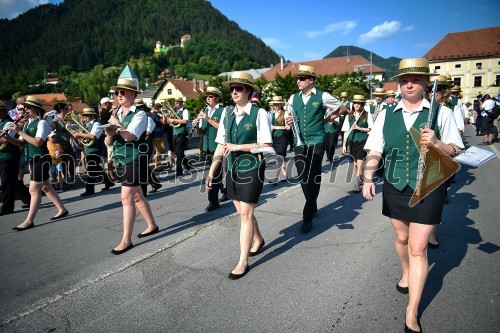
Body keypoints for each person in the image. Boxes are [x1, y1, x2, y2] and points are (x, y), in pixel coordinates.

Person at [362, 58, 464, 333]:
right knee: (402, 238)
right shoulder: (386, 114)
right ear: (399, 83)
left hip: (430, 186)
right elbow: (375, 151)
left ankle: (411, 311)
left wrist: (438, 143)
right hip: (395, 185)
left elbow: (457, 149)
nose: (409, 84)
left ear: (426, 84)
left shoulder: (441, 113)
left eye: (416, 80)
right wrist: (368, 178)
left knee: (418, 248)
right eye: (405, 79)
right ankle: (406, 272)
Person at [206, 72, 273, 279]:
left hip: (252, 167)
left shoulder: (259, 113)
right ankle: (258, 239)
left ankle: (242, 262)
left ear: (249, 91)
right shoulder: (227, 114)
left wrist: (239, 147)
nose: (234, 92)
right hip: (231, 168)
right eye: (232, 88)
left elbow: (266, 145)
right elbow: (220, 144)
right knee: (243, 212)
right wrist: (211, 171)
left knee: (245, 214)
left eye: (239, 88)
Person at [104, 78, 158, 254]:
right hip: (121, 158)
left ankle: (126, 240)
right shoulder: (116, 114)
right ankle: (152, 225)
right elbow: (108, 142)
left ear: (133, 94)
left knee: (126, 198)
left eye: (123, 92)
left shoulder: (140, 114)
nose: (119, 95)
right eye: (117, 92)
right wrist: (109, 133)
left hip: (135, 159)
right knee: (137, 196)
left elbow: (130, 136)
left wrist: (116, 125)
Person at [285, 65, 341, 233]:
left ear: (311, 80)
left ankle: (307, 216)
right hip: (299, 142)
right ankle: (312, 203)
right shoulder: (293, 97)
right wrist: (287, 121)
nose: (298, 81)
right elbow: (288, 117)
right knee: (303, 177)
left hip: (317, 141)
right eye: (298, 78)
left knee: (313, 176)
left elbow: (342, 108)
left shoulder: (322, 96)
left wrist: (325, 120)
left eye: (302, 78)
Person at [9, 96, 69, 230]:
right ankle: (62, 209)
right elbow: (21, 142)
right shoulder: (27, 123)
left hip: (41, 158)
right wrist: (8, 137)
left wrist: (18, 131)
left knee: (33, 190)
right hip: (33, 159)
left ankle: (29, 220)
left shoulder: (42, 123)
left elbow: (38, 142)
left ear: (36, 108)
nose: (25, 110)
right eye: (25, 107)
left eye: (28, 107)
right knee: (46, 187)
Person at [72, 107, 115, 196]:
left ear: (92, 115)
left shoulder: (96, 124)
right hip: (88, 149)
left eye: (86, 115)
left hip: (95, 149)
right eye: (84, 115)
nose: (85, 117)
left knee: (91, 169)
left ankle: (89, 189)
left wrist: (79, 134)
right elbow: (84, 137)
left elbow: (93, 136)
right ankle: (108, 182)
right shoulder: (85, 125)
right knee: (95, 167)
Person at [0, 101, 30, 215]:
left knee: (6, 182)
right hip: (3, 156)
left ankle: (7, 208)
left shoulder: (9, 123)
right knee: (12, 180)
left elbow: (5, 140)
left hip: (9, 156)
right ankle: (29, 199)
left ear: (2, 111)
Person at [198, 86, 224, 211]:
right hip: (207, 147)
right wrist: (196, 125)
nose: (208, 98)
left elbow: (222, 127)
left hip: (218, 146)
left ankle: (213, 201)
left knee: (214, 174)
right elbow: (201, 131)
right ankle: (226, 190)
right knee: (215, 173)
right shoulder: (204, 111)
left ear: (217, 98)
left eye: (211, 96)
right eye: (207, 96)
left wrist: (207, 119)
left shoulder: (223, 111)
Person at [341, 94, 373, 193]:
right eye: (355, 103)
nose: (356, 105)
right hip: (352, 141)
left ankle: (357, 185)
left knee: (359, 163)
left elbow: (371, 129)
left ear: (362, 104)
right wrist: (344, 145)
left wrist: (360, 128)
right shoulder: (349, 116)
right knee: (355, 164)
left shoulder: (367, 114)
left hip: (363, 141)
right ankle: (360, 178)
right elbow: (346, 131)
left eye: (358, 103)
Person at [135, 99, 162, 195]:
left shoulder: (148, 119)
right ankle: (155, 183)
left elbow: (148, 132)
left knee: (142, 168)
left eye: (139, 108)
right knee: (143, 167)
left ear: (143, 108)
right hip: (138, 146)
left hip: (146, 146)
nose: (137, 110)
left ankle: (144, 190)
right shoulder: (135, 119)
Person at [50, 103, 75, 180]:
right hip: (61, 144)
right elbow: (50, 130)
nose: (67, 110)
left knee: (72, 158)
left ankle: (72, 174)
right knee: (63, 160)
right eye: (66, 108)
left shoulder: (67, 118)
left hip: (70, 142)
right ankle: (65, 176)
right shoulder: (55, 120)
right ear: (62, 110)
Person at [269, 96, 289, 181]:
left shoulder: (285, 113)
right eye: (274, 104)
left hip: (282, 138)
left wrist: (276, 127)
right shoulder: (271, 114)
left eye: (277, 104)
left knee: (279, 157)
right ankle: (285, 175)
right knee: (279, 158)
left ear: (281, 104)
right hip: (274, 138)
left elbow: (288, 127)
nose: (276, 105)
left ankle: (276, 178)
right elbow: (269, 126)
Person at [170, 97, 190, 177]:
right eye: (175, 103)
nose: (175, 104)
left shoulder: (185, 111)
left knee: (179, 153)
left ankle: (179, 171)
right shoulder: (175, 111)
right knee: (178, 152)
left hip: (182, 133)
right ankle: (187, 165)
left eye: (177, 103)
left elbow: (185, 121)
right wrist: (171, 122)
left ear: (181, 103)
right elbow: (171, 123)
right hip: (175, 133)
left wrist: (174, 120)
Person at [150, 103, 167, 169]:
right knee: (159, 151)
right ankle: (157, 166)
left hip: (154, 134)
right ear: (159, 108)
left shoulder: (152, 114)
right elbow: (164, 122)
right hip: (158, 134)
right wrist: (163, 113)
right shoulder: (155, 115)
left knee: (157, 151)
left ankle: (157, 165)